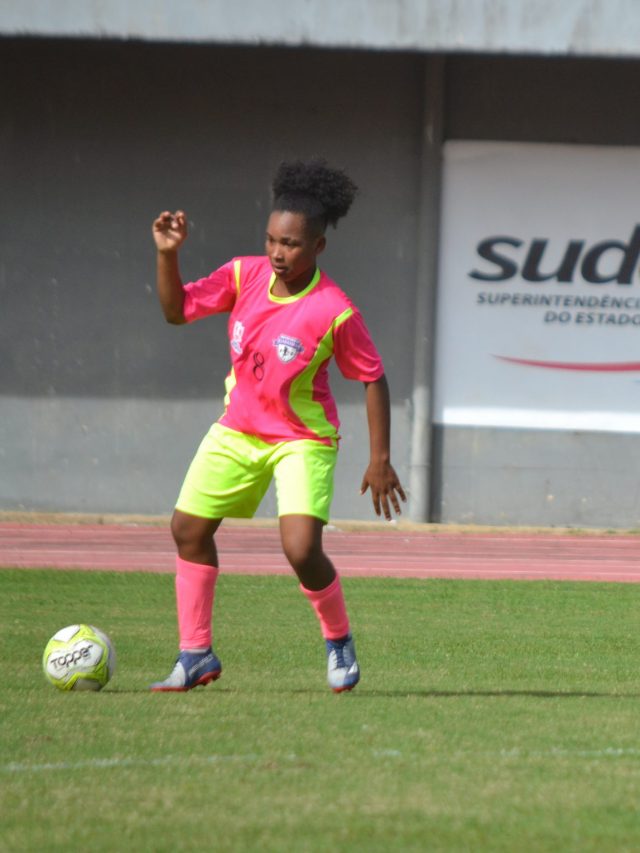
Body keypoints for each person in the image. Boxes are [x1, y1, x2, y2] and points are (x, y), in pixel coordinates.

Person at [150, 158, 405, 693]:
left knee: (300, 548)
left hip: (301, 440)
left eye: (289, 244)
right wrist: (167, 256)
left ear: (317, 247)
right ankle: (195, 653)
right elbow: (177, 311)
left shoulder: (334, 310)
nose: (277, 253)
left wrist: (379, 459)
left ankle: (338, 641)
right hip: (238, 428)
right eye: (271, 240)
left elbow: (373, 377)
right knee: (187, 530)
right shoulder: (244, 275)